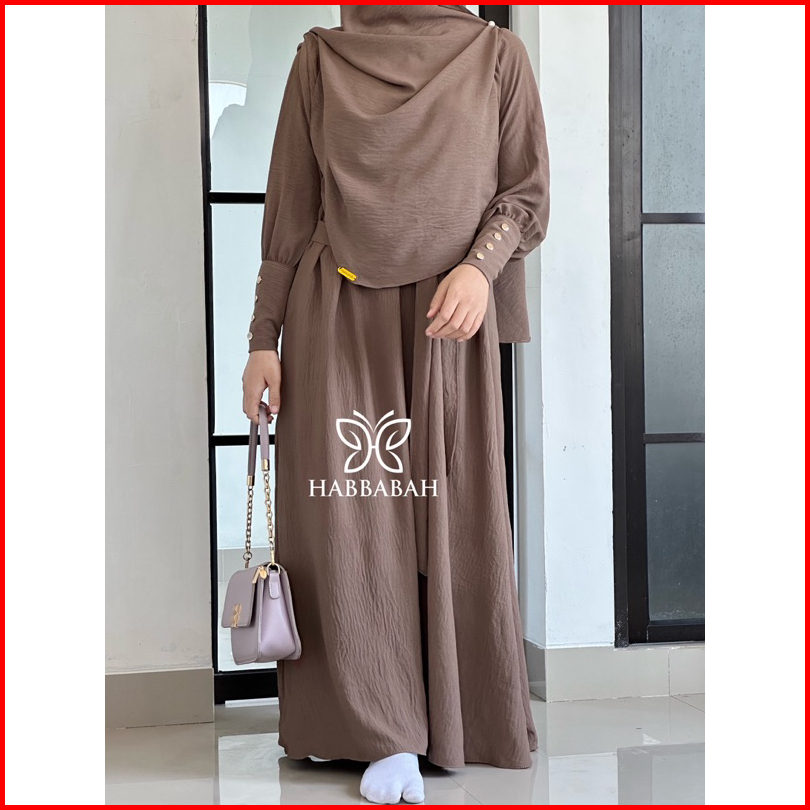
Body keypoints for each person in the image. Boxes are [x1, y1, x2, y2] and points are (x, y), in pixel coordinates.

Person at [241, 5, 549, 805]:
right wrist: (263, 339)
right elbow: (290, 211)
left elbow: (525, 192)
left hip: (449, 320)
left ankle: (450, 719)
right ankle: (381, 731)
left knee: (451, 518)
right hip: (336, 316)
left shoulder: (497, 57)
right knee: (353, 522)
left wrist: (480, 269)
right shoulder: (320, 60)